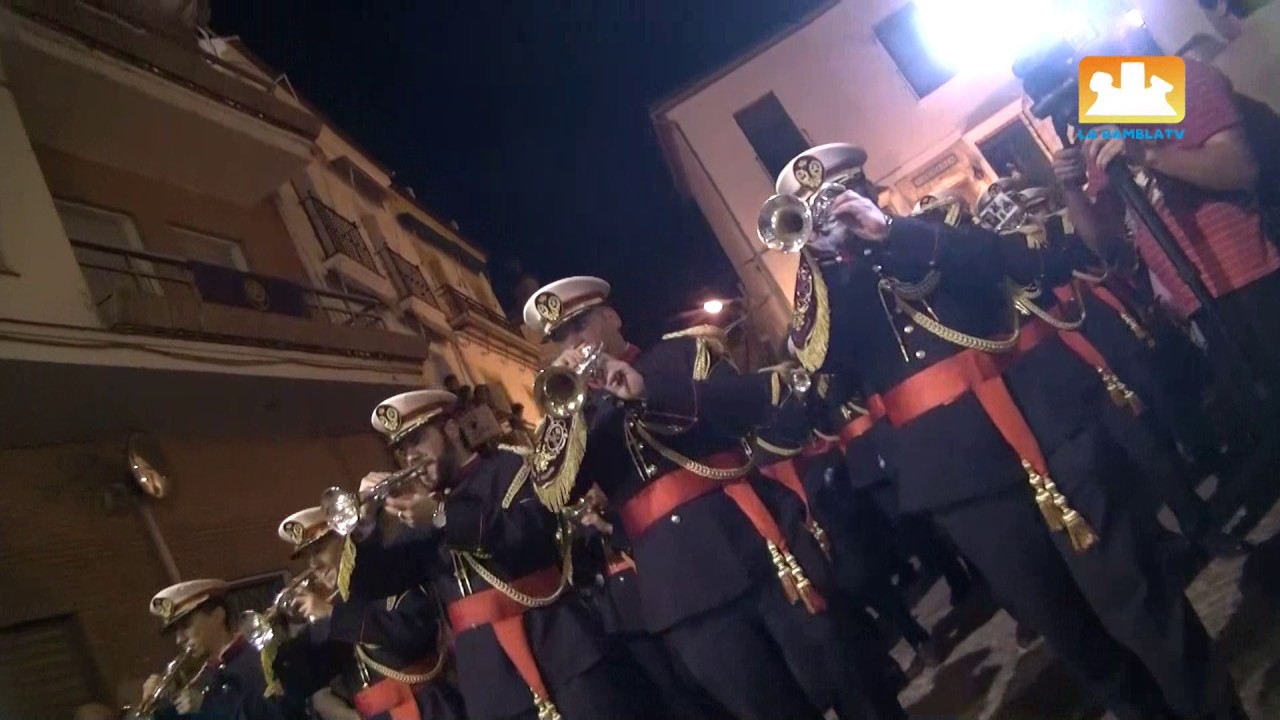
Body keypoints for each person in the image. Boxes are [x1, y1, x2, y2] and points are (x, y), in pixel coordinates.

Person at [776, 141, 1245, 720]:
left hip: (1050, 427)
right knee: (1073, 637)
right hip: (961, 480)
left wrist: (889, 234)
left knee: (1142, 601)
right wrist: (815, 263)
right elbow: (816, 366)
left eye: (839, 198)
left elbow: (1019, 264)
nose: (836, 215)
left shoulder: (934, 224)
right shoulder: (828, 296)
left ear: (864, 189)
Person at [523, 277, 898, 720]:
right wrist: (566, 417)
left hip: (757, 543)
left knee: (850, 676)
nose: (575, 342)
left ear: (612, 315)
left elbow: (751, 404)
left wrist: (648, 394)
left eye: (581, 324)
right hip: (683, 591)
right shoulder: (577, 418)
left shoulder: (682, 354)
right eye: (561, 338)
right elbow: (554, 492)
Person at [975, 179, 1247, 561]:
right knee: (1133, 457)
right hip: (1071, 356)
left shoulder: (1055, 229)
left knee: (1155, 432)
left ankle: (1200, 519)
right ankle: (1174, 539)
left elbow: (1090, 257)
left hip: (1103, 330)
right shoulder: (998, 265)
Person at [336, 390, 639, 720]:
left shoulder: (510, 467)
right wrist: (364, 529)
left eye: (418, 439)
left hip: (560, 647)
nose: (410, 457)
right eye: (401, 448)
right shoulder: (416, 516)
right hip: (491, 684)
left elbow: (526, 534)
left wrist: (442, 516)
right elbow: (371, 587)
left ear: (451, 429)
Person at [1059, 57, 1280, 406]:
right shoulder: (1102, 122)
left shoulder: (1177, 80)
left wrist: (1146, 153)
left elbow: (1240, 167)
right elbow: (1105, 238)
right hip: (1197, 303)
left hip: (1257, 276)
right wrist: (1070, 188)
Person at [272, 507, 465, 720]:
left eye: (318, 549)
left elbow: (409, 633)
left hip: (429, 709)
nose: (313, 565)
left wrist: (331, 614)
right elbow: (308, 680)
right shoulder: (333, 611)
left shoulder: (392, 577)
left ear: (346, 540)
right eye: (308, 557)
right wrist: (275, 649)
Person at [145, 579, 286, 720]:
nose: (179, 639)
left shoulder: (260, 660)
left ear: (218, 615)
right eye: (176, 630)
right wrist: (157, 708)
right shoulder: (204, 675)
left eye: (185, 625)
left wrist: (208, 706)